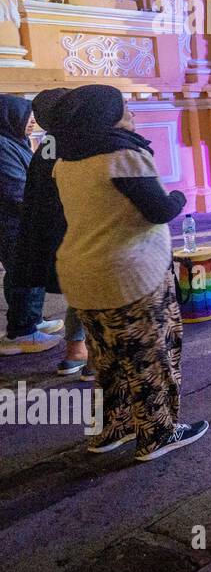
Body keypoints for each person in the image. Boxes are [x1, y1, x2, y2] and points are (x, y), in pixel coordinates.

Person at [43, 85, 206, 460]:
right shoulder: (122, 155)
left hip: (82, 274)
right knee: (152, 354)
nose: (130, 111)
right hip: (129, 273)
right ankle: (158, 433)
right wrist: (181, 198)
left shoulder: (64, 161)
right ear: (105, 113)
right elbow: (159, 210)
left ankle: (111, 429)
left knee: (107, 359)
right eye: (124, 106)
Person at [13, 88, 91, 375]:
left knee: (79, 292)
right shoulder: (81, 140)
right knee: (92, 292)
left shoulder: (48, 143)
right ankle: (89, 355)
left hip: (53, 230)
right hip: (78, 226)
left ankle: (76, 351)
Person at [0, 93, 64, 356]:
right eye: (26, 117)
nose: (31, 122)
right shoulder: (2, 146)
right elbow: (15, 188)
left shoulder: (14, 141)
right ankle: (21, 332)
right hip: (14, 222)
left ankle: (31, 320)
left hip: (24, 219)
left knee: (27, 270)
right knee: (24, 272)